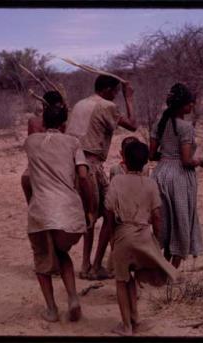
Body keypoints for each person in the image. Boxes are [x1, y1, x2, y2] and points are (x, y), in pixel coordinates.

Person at [94, 140, 178, 336]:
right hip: (143, 236)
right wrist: (156, 241)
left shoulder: (116, 181)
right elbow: (157, 217)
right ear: (145, 162)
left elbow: (108, 212)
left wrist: (114, 236)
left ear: (124, 159)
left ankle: (126, 325)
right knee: (133, 277)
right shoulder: (150, 184)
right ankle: (136, 319)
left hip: (123, 236)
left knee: (122, 281)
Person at [24, 90, 94, 322]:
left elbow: (27, 177)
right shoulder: (74, 143)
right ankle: (73, 297)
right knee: (62, 252)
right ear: (65, 123)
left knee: (43, 261)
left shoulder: (31, 142)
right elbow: (83, 177)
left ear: (43, 120)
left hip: (41, 211)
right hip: (68, 212)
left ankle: (52, 309)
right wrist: (91, 208)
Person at [66, 75, 137, 280]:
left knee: (90, 215)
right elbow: (132, 125)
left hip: (75, 165)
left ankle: (87, 264)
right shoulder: (107, 106)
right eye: (115, 92)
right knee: (109, 214)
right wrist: (129, 98)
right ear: (107, 90)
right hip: (91, 166)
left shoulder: (80, 104)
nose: (116, 96)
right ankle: (95, 265)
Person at [149, 83, 203, 269]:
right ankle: (171, 270)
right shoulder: (185, 127)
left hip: (159, 175)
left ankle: (161, 265)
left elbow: (152, 155)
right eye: (190, 103)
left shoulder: (159, 124)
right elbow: (185, 160)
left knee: (164, 222)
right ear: (183, 105)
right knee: (181, 221)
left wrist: (167, 156)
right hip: (179, 178)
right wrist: (200, 160)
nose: (192, 106)